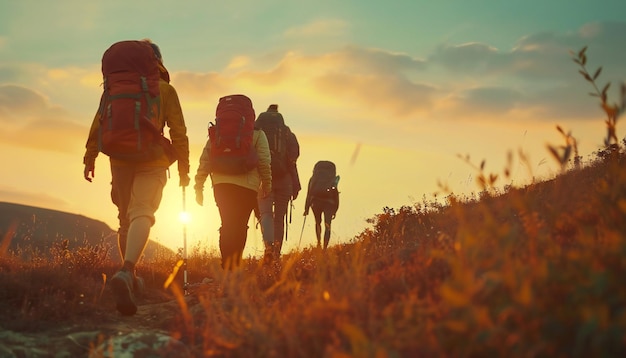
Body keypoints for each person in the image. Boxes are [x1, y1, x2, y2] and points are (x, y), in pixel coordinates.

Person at [83, 40, 190, 316]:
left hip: (118, 157)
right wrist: (183, 168)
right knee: (143, 211)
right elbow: (179, 131)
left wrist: (90, 156)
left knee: (125, 218)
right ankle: (127, 271)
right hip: (152, 158)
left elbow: (99, 122)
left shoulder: (113, 88)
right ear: (158, 61)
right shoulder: (164, 89)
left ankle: (129, 275)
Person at [194, 98, 272, 271]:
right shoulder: (257, 134)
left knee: (227, 224)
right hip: (248, 187)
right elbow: (264, 161)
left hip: (221, 185)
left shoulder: (218, 133)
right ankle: (234, 265)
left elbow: (205, 159)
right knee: (240, 225)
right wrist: (266, 183)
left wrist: (199, 186)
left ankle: (227, 265)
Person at [255, 104, 301, 262]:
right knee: (279, 218)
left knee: (266, 214)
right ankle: (277, 254)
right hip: (285, 179)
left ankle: (268, 248)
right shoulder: (287, 133)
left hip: (262, 178)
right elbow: (294, 157)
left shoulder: (257, 132)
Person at [303, 161, 339, 250]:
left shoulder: (313, 179)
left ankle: (318, 243)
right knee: (328, 224)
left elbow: (309, 192)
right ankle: (325, 248)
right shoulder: (333, 179)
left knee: (318, 222)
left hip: (316, 202)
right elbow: (336, 194)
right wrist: (335, 209)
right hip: (329, 203)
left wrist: (306, 208)